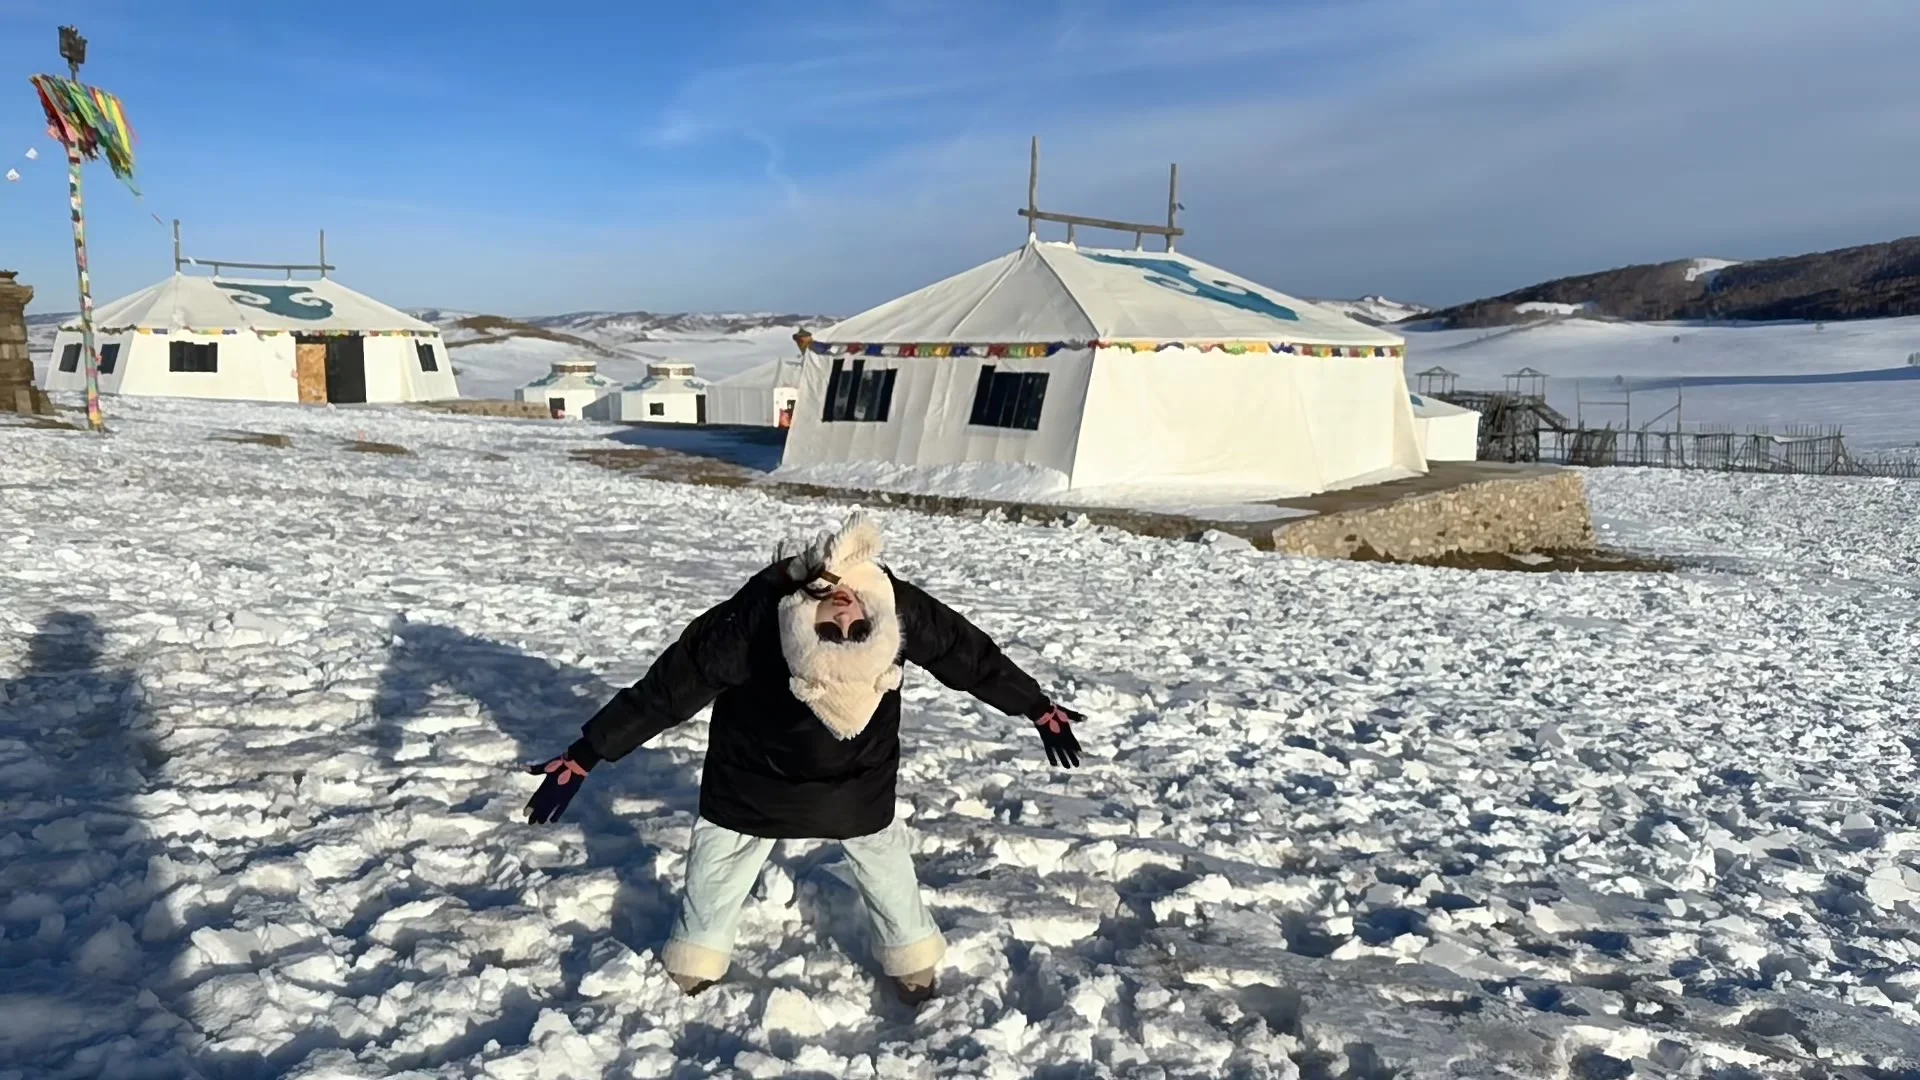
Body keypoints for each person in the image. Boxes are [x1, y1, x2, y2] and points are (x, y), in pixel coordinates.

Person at [522, 513, 1085, 1005]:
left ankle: (696, 958)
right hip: (854, 792)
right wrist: (1035, 706)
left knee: (724, 853)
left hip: (751, 785)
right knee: (881, 855)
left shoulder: (761, 618)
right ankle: (912, 963)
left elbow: (671, 688)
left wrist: (588, 752)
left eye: (834, 627)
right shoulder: (889, 604)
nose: (843, 611)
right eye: (853, 628)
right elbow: (967, 654)